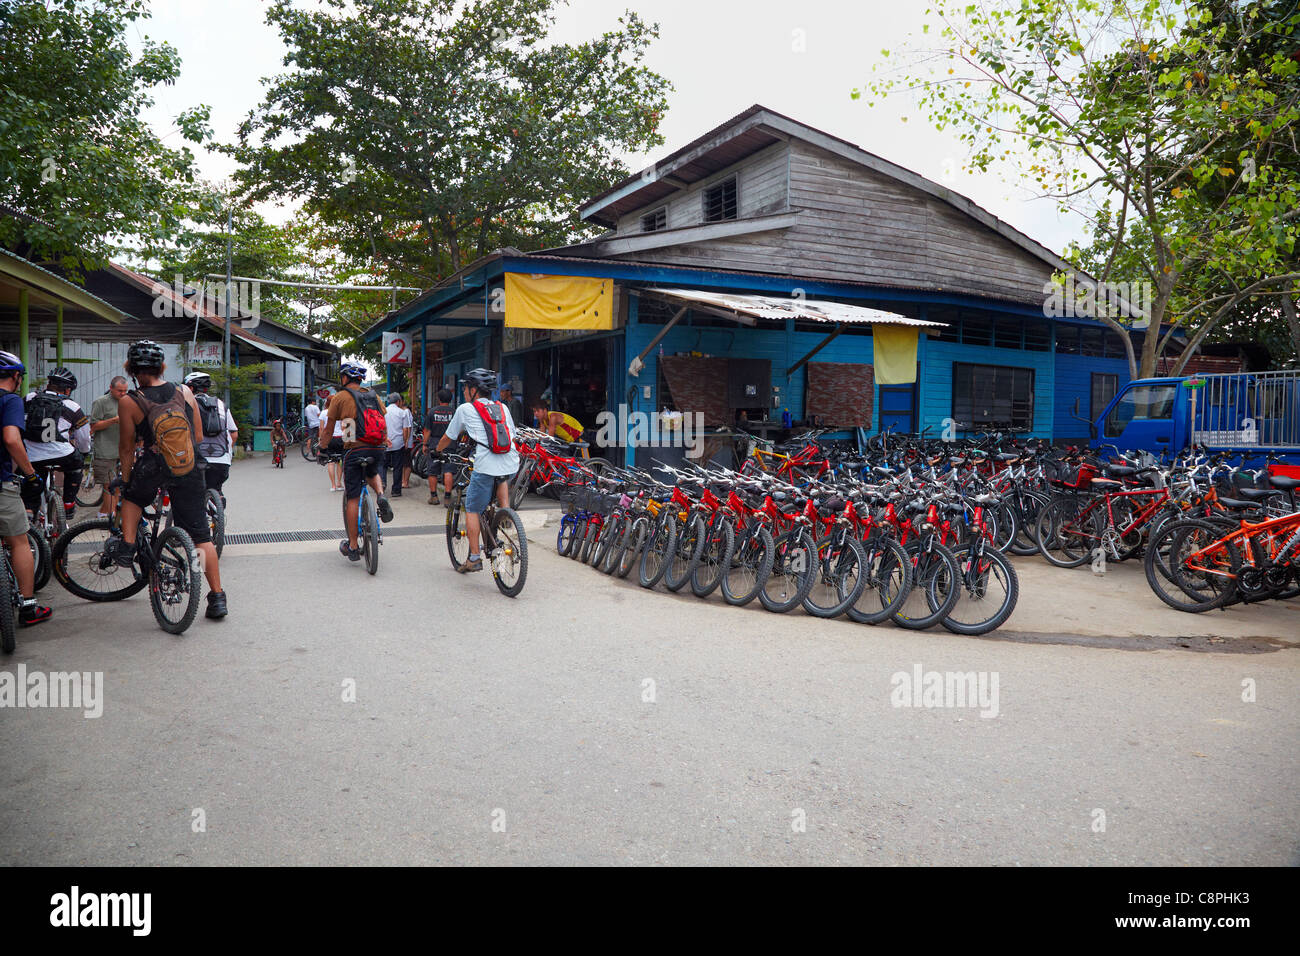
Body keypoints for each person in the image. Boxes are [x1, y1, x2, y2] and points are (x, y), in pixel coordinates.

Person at [105, 340, 227, 620]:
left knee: (133, 496)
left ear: (132, 369)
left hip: (153, 466)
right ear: (162, 367)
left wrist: (125, 478)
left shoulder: (129, 400)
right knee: (200, 538)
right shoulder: (184, 391)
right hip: (189, 467)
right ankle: (217, 597)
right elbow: (197, 436)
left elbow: (125, 448)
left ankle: (127, 543)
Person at [435, 368, 518, 573]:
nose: (463, 391)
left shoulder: (465, 409)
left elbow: (449, 437)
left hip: (485, 463)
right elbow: (512, 436)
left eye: (465, 387)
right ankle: (505, 513)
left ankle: (473, 558)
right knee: (501, 478)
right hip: (510, 461)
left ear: (474, 390)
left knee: (472, 508)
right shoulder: (502, 408)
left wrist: (436, 450)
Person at [0, 351, 52, 627]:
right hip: (2, 482)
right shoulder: (10, 401)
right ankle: (29, 607)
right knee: (19, 541)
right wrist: (31, 475)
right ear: (16, 377)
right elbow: (11, 439)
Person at [321, 363, 392, 561]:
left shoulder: (340, 397)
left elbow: (329, 429)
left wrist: (322, 448)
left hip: (354, 447)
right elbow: (383, 420)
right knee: (371, 471)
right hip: (377, 446)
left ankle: (353, 546)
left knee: (352, 497)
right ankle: (380, 494)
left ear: (344, 378)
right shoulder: (373, 396)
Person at [21, 365, 91, 520]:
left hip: (31, 455)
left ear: (48, 385)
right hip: (62, 455)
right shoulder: (72, 406)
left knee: (29, 485)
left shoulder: (29, 398)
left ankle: (29, 513)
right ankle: (68, 503)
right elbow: (84, 438)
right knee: (76, 463)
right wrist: (84, 452)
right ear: (67, 390)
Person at [184, 371, 238, 506]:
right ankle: (217, 510)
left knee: (192, 493)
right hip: (222, 461)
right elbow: (234, 433)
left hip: (196, 461)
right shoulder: (221, 405)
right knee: (216, 487)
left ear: (190, 388)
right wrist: (227, 453)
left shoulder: (186, 405)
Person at [90, 375, 129, 518]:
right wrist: (113, 420)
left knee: (119, 485)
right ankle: (111, 515)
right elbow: (93, 426)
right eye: (120, 390)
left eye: (125, 390)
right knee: (108, 486)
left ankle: (106, 513)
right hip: (105, 450)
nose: (123, 394)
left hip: (124, 450)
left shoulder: (128, 402)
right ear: (111, 388)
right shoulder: (101, 402)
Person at [423, 387, 455, 505]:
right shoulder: (454, 412)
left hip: (435, 444)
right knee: (448, 470)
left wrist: (425, 444)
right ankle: (447, 497)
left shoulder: (432, 412)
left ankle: (434, 497)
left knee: (433, 471)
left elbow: (427, 430)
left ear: (439, 399)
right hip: (450, 443)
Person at [382, 392, 410, 497]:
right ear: (398, 401)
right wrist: (405, 441)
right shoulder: (402, 413)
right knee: (398, 466)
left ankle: (382, 483)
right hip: (398, 443)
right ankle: (396, 490)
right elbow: (405, 429)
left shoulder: (383, 411)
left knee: (383, 465)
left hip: (385, 442)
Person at [318, 392, 344, 492]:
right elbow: (343, 426)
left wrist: (321, 440)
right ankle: (339, 483)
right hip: (340, 438)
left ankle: (333, 485)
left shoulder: (323, 413)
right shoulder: (340, 412)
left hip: (329, 438)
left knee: (330, 462)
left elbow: (321, 428)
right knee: (339, 462)